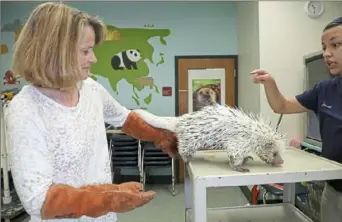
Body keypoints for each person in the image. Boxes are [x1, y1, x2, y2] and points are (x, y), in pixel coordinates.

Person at [5, 2, 178, 222]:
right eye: (85, 51)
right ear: (55, 53)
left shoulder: (91, 89)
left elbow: (125, 118)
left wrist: (162, 136)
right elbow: (40, 201)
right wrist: (109, 198)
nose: (93, 59)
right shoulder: (25, 109)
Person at [251, 17, 342, 222]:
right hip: (334, 189)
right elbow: (281, 106)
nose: (326, 53)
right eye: (324, 47)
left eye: (335, 45)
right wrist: (269, 82)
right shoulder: (324, 89)